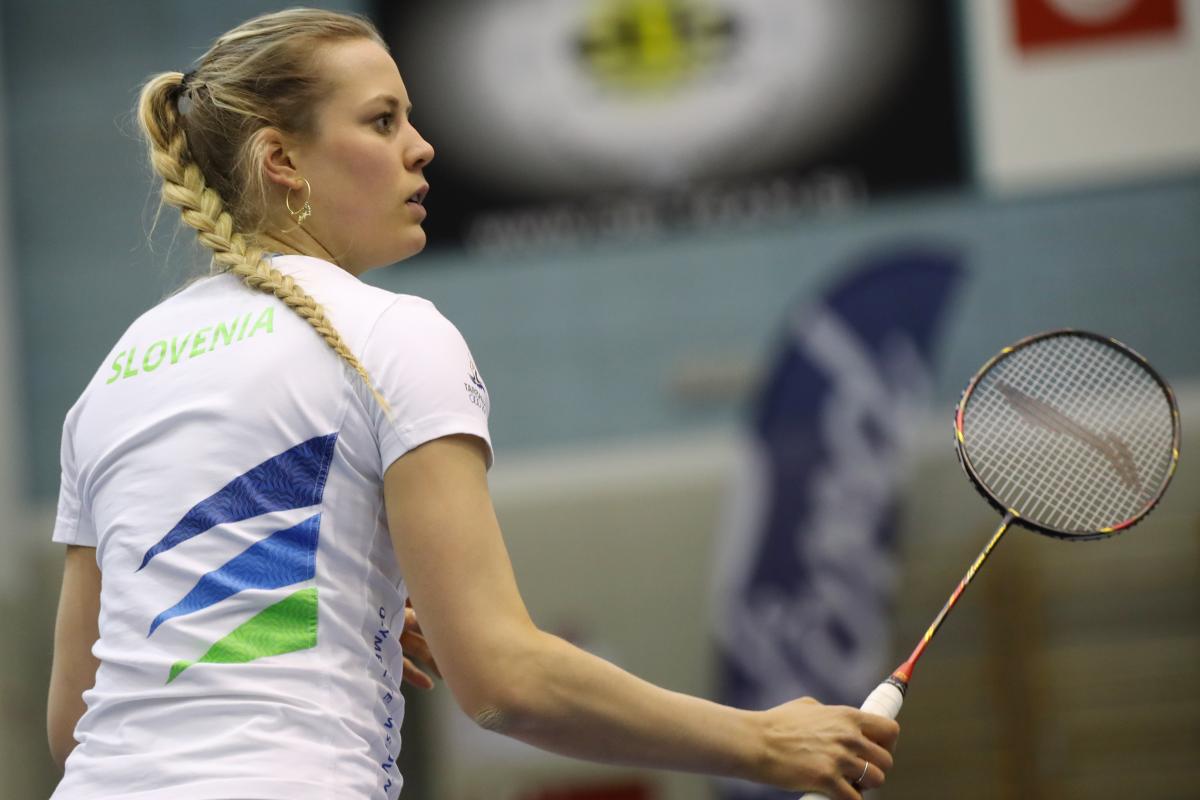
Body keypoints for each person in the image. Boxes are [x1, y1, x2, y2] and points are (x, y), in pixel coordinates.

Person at [45, 8, 899, 799]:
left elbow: (77, 720)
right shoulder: (389, 335)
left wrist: (332, 603)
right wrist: (760, 740)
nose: (421, 148)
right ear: (282, 160)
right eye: (382, 121)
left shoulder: (112, 378)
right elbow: (504, 682)